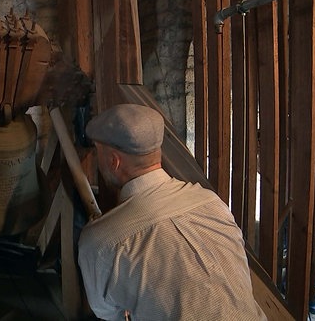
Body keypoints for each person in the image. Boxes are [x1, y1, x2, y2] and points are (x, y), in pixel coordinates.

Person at [77, 103, 266, 320]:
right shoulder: (211, 202)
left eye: (98, 151)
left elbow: (110, 313)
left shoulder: (100, 242)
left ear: (114, 161)